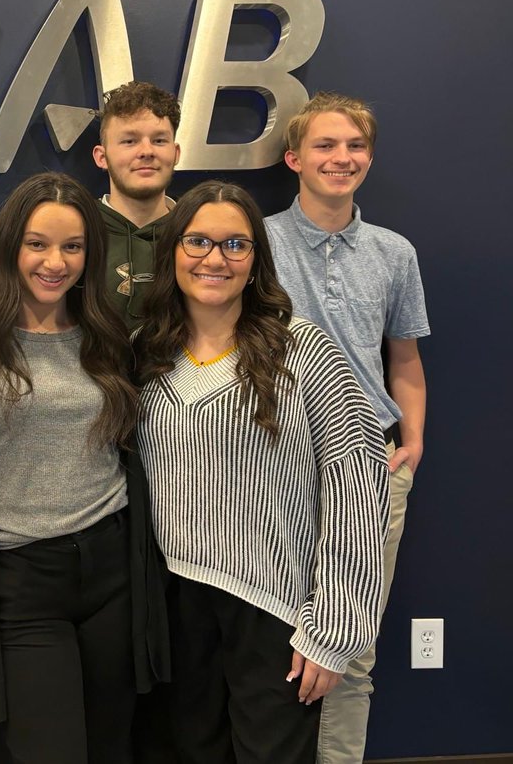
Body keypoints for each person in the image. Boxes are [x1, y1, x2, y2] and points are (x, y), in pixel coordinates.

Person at [0, 172, 169, 764]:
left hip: (112, 572)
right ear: (8, 247)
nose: (56, 262)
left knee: (111, 745)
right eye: (38, 244)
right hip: (18, 582)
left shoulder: (110, 341)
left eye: (72, 246)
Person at [134, 180, 390, 764]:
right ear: (172, 251)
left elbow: (358, 492)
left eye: (235, 245)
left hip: (274, 609)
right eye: (197, 241)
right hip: (172, 603)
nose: (214, 259)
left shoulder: (303, 352)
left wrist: (332, 630)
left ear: (256, 262)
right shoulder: (144, 353)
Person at [265, 92, 430, 764]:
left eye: (354, 146)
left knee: (351, 650)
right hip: (277, 463)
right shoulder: (258, 240)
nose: (341, 159)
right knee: (274, 641)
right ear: (294, 157)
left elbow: (405, 359)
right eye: (326, 146)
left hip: (370, 467)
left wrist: (412, 443)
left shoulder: (394, 253)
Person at [91, 80, 182, 326]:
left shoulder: (197, 236)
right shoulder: (77, 234)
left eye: (159, 140)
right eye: (129, 141)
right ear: (102, 157)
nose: (146, 151)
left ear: (176, 154)